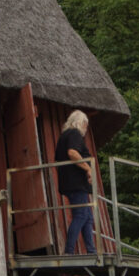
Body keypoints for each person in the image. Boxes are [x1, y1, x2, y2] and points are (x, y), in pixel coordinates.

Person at [55, 109, 96, 255]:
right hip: (76, 183)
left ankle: (91, 251)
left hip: (72, 183)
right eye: (86, 125)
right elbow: (72, 153)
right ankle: (69, 251)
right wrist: (88, 169)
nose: (86, 128)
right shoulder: (74, 134)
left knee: (87, 217)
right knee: (81, 215)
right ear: (82, 122)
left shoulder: (64, 136)